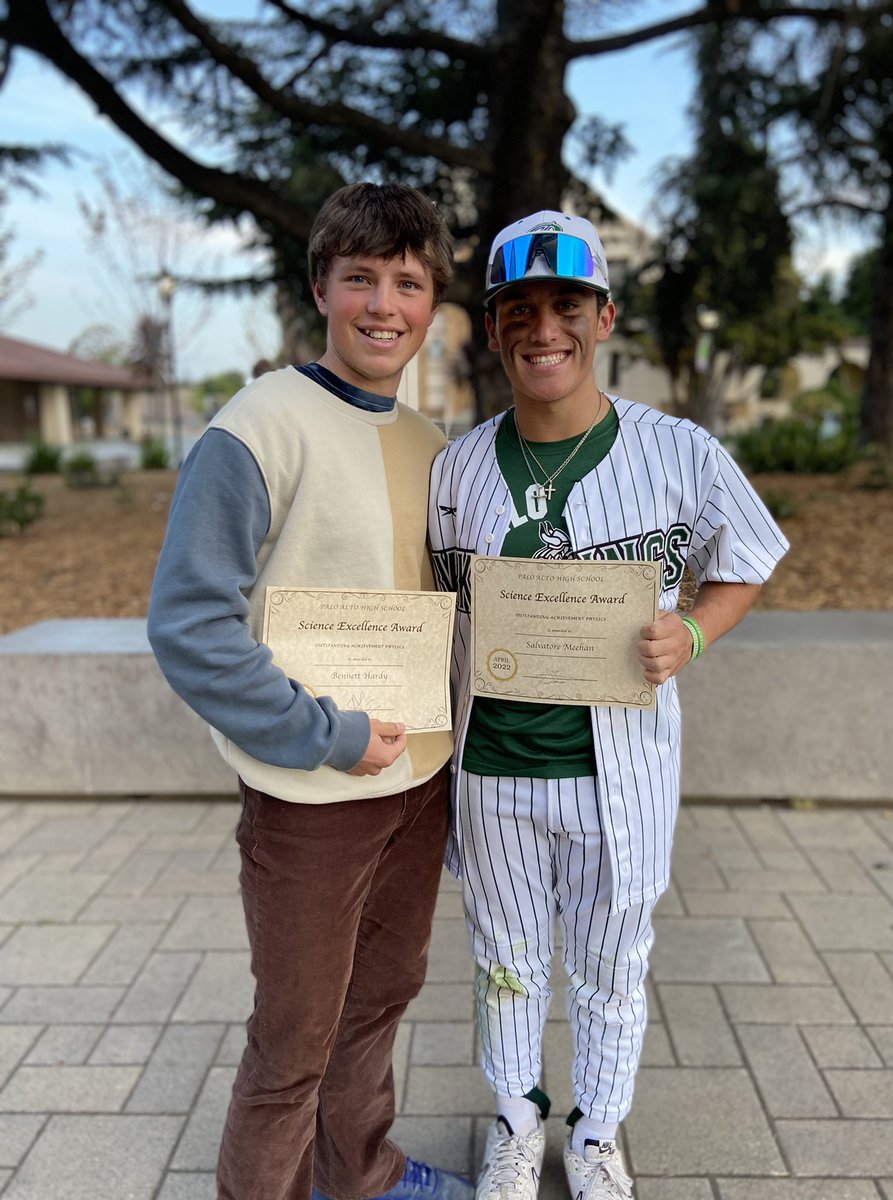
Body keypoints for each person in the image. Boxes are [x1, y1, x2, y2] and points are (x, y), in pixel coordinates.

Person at [428, 211, 789, 1200]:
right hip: (494, 771)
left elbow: (746, 562)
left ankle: (596, 1134)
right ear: (492, 327)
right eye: (519, 308)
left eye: (566, 306)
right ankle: (514, 1119)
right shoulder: (455, 471)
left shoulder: (678, 452)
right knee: (504, 960)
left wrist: (697, 632)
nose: (544, 328)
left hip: (618, 772)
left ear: (604, 316)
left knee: (612, 963)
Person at [148, 182, 473, 1200]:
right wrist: (323, 734)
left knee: (382, 996)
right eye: (362, 278)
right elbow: (190, 627)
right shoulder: (258, 427)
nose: (386, 304)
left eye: (409, 282)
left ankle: (361, 1174)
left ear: (433, 304)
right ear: (321, 287)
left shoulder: (431, 445)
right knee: (293, 1037)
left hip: (417, 782)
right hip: (311, 794)